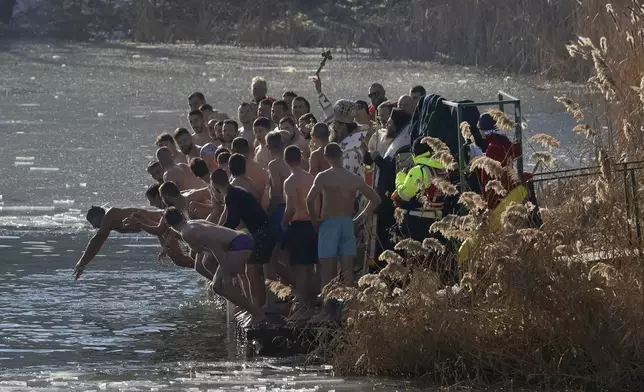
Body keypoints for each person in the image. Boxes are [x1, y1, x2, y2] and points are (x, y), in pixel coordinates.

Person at [163, 207, 266, 325]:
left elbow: (216, 247)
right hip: (242, 238)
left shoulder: (187, 232)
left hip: (239, 244)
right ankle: (251, 309)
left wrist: (226, 274)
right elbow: (215, 238)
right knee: (217, 285)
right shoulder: (193, 223)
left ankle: (256, 313)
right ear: (181, 215)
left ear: (168, 224)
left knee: (222, 285)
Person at [306, 143, 381, 288]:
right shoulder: (353, 178)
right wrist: (360, 218)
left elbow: (309, 199)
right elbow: (376, 199)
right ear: (341, 155)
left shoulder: (324, 176)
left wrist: (314, 219)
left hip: (329, 223)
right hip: (348, 223)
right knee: (348, 272)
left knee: (328, 271)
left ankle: (328, 308)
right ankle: (348, 308)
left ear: (326, 157)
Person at [210, 168, 277, 308]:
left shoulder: (230, 195)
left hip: (262, 233)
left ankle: (257, 308)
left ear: (214, 184)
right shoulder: (236, 190)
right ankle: (260, 306)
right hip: (266, 230)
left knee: (252, 272)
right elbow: (230, 218)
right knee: (260, 269)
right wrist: (218, 230)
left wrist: (217, 234)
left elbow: (233, 221)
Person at [364, 108, 413, 262]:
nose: (387, 124)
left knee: (389, 240)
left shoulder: (404, 145)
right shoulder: (390, 140)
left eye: (391, 123)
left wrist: (378, 158)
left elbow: (395, 171)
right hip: (382, 198)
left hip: (392, 200)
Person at [73, 206, 163, 279]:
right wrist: (84, 263)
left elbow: (96, 240)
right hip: (161, 227)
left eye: (91, 221)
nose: (93, 227)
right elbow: (97, 245)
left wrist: (81, 262)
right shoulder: (109, 224)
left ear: (97, 216)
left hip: (163, 218)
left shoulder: (110, 215)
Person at [282, 145, 318, 320]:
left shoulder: (290, 181)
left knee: (299, 269)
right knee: (310, 268)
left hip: (297, 225)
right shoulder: (311, 177)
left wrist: (283, 223)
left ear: (285, 160)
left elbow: (290, 208)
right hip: (312, 224)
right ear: (301, 158)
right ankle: (311, 305)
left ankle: (303, 308)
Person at [477, 113, 522, 209]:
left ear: (487, 132)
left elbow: (486, 177)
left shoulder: (493, 147)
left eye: (481, 131)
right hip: (509, 188)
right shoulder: (504, 142)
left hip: (497, 196)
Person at [232, 137, 268, 202]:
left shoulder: (234, 170)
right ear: (248, 150)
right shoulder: (260, 167)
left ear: (233, 151)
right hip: (259, 207)